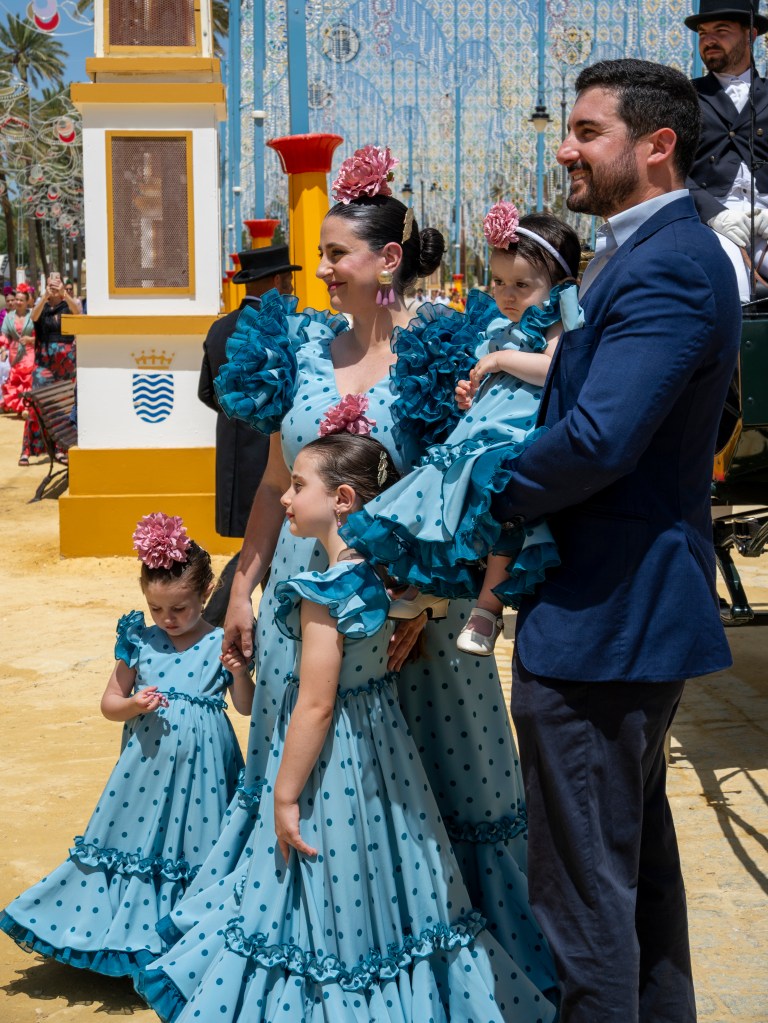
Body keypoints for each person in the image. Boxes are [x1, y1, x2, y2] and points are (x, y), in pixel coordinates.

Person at [149, 145, 557, 1001]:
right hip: (313, 602)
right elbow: (271, 482)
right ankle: (311, 951)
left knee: (437, 786)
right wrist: (245, 584)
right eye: (324, 253)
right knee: (313, 769)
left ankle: (450, 968)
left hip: (421, 618)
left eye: (338, 253)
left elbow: (469, 490)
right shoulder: (293, 348)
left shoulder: (449, 352)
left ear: (388, 261)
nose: (325, 269)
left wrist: (432, 599)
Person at [136, 432, 557, 1023]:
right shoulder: (384, 580)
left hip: (330, 762)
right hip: (385, 756)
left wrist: (283, 793)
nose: (286, 497)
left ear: (341, 499)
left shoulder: (323, 592)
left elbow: (315, 706)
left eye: (299, 486)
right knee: (390, 867)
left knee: (325, 874)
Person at [491, 58, 741, 1022]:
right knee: (628, 877)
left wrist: (478, 494)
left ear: (656, 144)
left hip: (610, 618)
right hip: (616, 613)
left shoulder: (672, 261)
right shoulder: (639, 253)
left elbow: (600, 437)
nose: (566, 145)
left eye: (588, 131)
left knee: (582, 898)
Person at [0, 514, 254, 978]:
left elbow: (245, 706)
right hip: (144, 775)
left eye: (179, 608)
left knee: (200, 848)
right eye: (157, 609)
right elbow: (108, 703)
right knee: (133, 846)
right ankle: (113, 933)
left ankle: (187, 937)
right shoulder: (138, 641)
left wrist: (239, 671)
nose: (168, 619)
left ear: (205, 593)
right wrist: (133, 703)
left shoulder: (221, 641)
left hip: (206, 776)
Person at [343, 202, 581, 657]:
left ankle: (486, 611)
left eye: (521, 285)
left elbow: (555, 368)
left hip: (516, 439)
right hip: (478, 431)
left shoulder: (554, 322)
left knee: (500, 510)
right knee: (436, 491)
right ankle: (416, 578)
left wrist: (498, 361)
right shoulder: (499, 326)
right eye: (498, 282)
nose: (507, 295)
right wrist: (471, 393)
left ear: (557, 286)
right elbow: (495, 384)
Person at [198, 245, 301, 626]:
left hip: (234, 454)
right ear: (276, 281)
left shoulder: (220, 328)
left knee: (254, 543)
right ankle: (221, 620)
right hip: (278, 454)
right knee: (265, 545)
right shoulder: (286, 327)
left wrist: (238, 418)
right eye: (288, 278)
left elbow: (206, 392)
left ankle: (224, 619)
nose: (291, 285)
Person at [685, 0, 768, 299]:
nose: (709, 40)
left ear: (751, 35)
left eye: (721, 30)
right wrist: (714, 214)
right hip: (713, 218)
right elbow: (670, 168)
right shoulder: (684, 97)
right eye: (703, 33)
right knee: (731, 281)